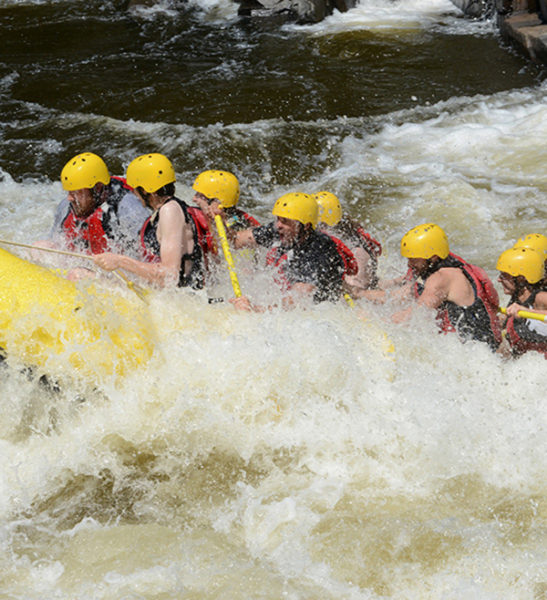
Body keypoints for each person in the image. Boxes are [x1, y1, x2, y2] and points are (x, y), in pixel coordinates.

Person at [363, 223, 501, 349]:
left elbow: (415, 316)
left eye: (413, 259)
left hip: (475, 352)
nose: (409, 264)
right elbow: (398, 294)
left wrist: (373, 322)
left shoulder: (442, 278)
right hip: (479, 347)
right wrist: (359, 293)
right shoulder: (440, 268)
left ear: (433, 257)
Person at [93, 153, 212, 289]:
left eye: (135, 189)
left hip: (182, 299)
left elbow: (169, 275)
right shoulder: (168, 209)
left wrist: (120, 261)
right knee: (82, 274)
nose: (134, 194)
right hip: (171, 296)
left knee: (79, 275)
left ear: (145, 190)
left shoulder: (170, 211)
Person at [229, 192, 345, 310]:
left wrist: (254, 309)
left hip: (319, 310)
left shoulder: (319, 250)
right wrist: (213, 217)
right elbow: (235, 240)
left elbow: (297, 299)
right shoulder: (282, 230)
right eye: (278, 219)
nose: (278, 225)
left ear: (306, 226)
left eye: (285, 221)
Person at [48, 152, 149, 255]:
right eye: (69, 191)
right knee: (41, 247)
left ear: (98, 187)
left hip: (114, 266)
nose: (69, 198)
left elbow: (148, 257)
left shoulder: (127, 208)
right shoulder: (66, 206)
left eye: (77, 192)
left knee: (78, 272)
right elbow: (55, 242)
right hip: (87, 263)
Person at [313, 191, 382, 292]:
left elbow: (356, 292)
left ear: (324, 225)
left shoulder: (357, 251)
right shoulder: (329, 237)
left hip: (364, 292)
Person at [496, 246, 547, 358]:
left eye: (504, 275)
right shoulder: (517, 298)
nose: (499, 279)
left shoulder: (541, 297)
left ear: (521, 278)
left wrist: (528, 311)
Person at [192, 170, 260, 231]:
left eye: (199, 195)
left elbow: (229, 238)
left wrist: (220, 221)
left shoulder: (236, 219)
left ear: (216, 201)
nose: (194, 199)